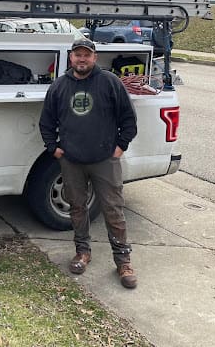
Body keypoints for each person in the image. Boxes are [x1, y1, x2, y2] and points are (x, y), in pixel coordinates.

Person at [39, 38, 139, 288]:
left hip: (105, 159)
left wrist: (120, 146)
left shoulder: (109, 82)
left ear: (95, 58)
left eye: (87, 55)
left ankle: (123, 261)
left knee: (113, 210)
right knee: (77, 208)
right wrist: (55, 149)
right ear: (70, 57)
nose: (82, 59)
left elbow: (128, 118)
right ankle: (82, 252)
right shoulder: (59, 86)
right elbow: (46, 122)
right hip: (71, 161)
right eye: (77, 55)